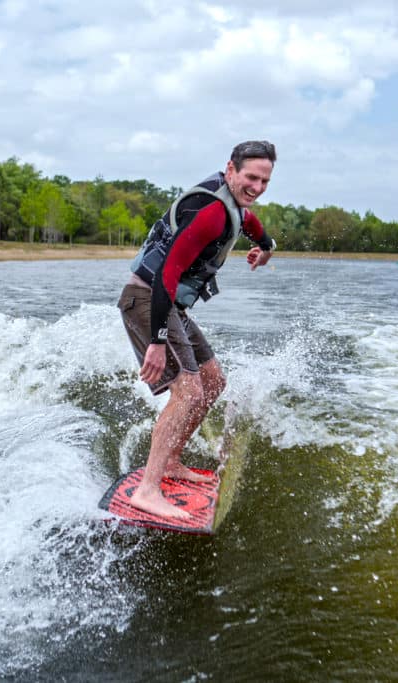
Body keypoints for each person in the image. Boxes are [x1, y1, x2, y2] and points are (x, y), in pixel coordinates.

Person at [116, 140, 277, 519]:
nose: (256, 186)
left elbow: (251, 224)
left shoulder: (235, 205)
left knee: (213, 380)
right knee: (187, 391)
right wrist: (156, 342)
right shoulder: (210, 213)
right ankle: (148, 489)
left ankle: (171, 462)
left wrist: (266, 247)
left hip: (170, 305)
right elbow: (165, 275)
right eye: (251, 177)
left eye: (265, 180)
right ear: (230, 169)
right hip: (148, 299)